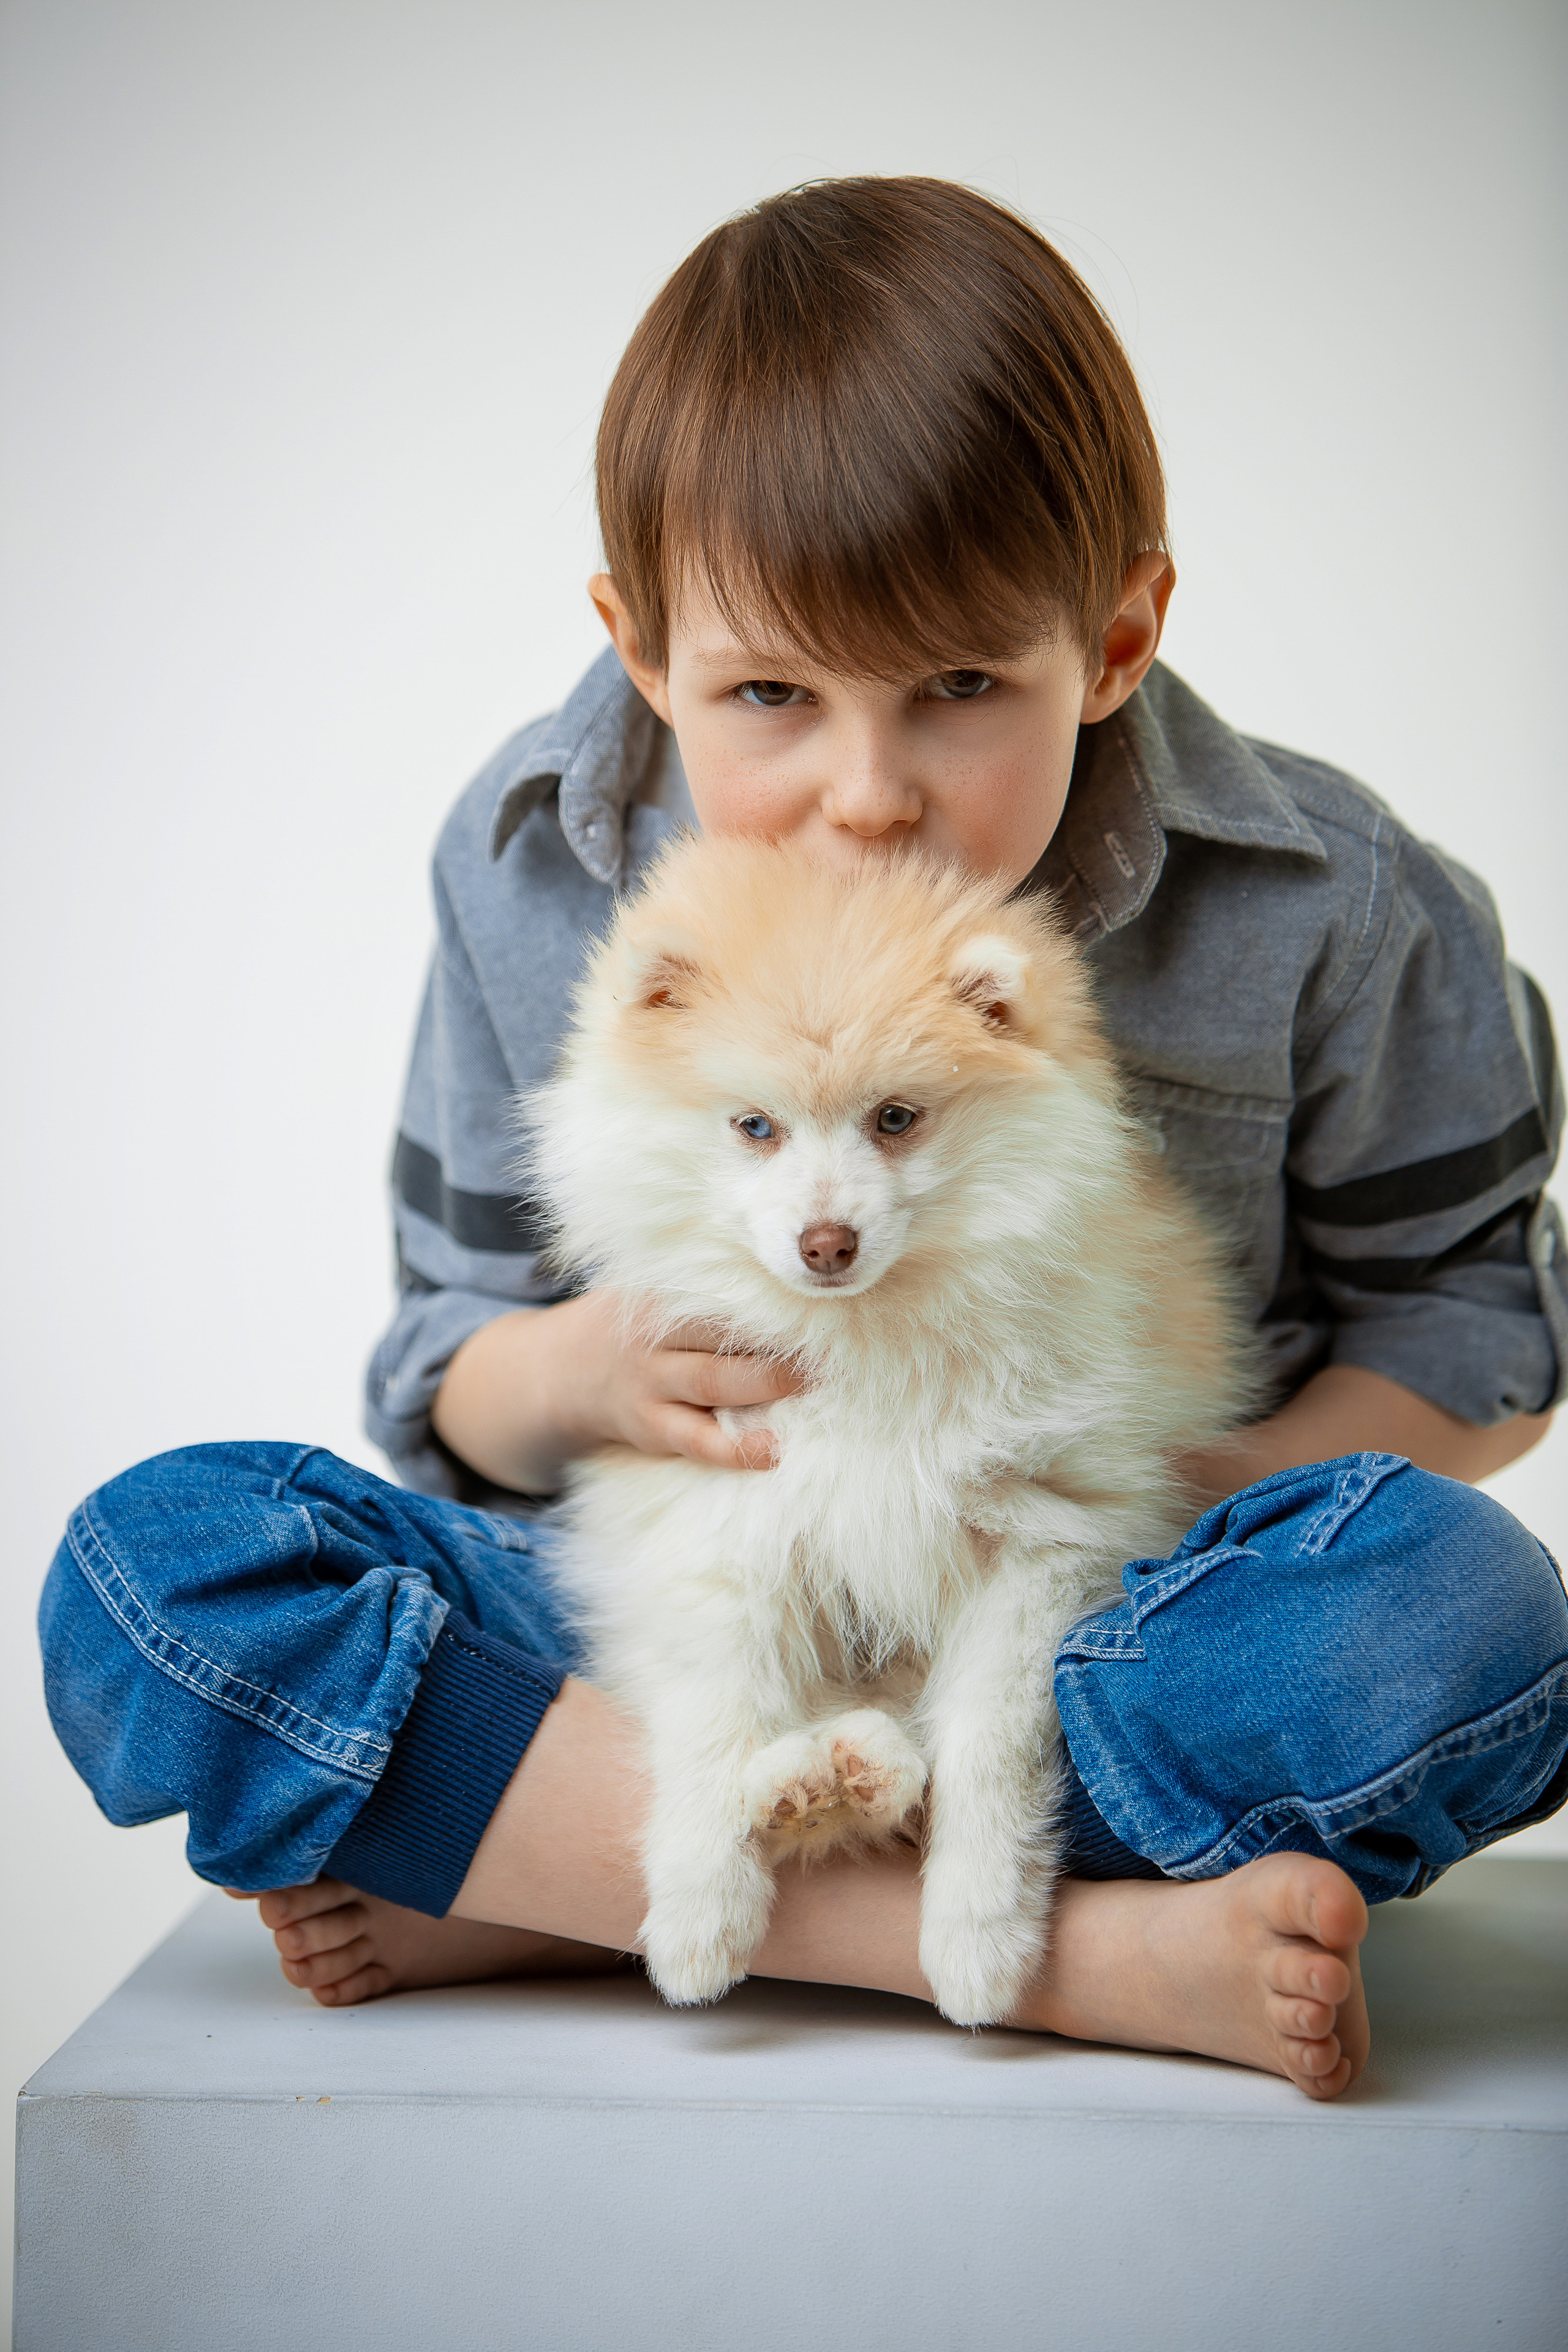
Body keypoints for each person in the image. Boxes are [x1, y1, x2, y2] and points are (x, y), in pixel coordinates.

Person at [40, 179, 1568, 2103]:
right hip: (677, 1626)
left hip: (1091, 1615)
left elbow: (1473, 1337)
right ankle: (1047, 1949)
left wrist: (1155, 1499)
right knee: (156, 1572)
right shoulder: (531, 858)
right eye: (770, 695)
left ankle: (535, 1871)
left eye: (960, 692)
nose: (866, 797)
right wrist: (593, 1368)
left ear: (1113, 639)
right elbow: (445, 1366)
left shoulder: (1335, 901)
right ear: (641, 649)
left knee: (1469, 1620)